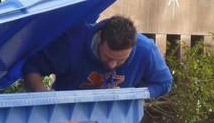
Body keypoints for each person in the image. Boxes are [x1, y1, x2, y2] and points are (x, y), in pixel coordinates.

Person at [22, 15, 172, 98]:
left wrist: (133, 96)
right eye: (107, 57)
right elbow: (31, 67)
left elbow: (164, 83)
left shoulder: (146, 51)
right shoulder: (71, 44)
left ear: (133, 47)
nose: (112, 65)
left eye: (120, 60)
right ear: (100, 38)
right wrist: (45, 99)